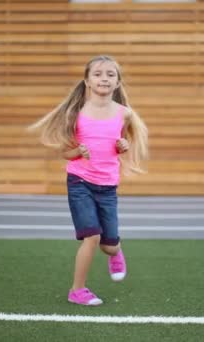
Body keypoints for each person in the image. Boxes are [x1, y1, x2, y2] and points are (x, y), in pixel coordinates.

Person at [28, 55, 149, 306]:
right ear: (87, 81)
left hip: (107, 187)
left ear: (117, 83)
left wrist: (123, 145)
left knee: (109, 246)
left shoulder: (124, 114)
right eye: (98, 74)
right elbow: (65, 152)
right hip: (79, 182)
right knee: (91, 236)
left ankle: (116, 251)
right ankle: (77, 290)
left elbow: (121, 143)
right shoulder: (77, 113)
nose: (104, 78)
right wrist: (78, 152)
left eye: (110, 74)